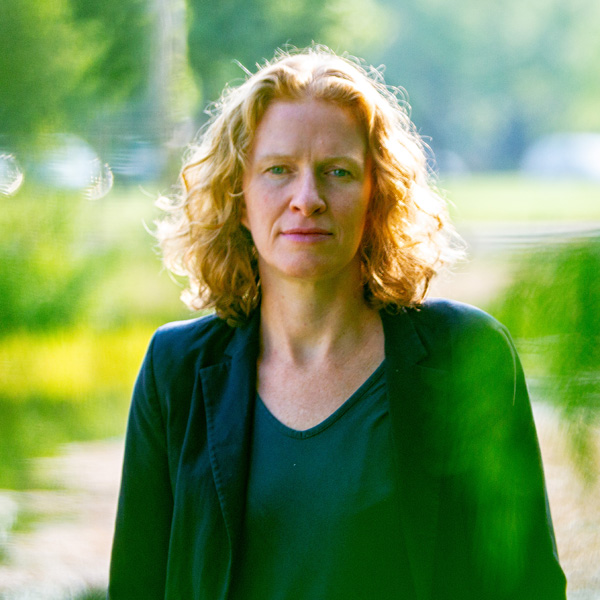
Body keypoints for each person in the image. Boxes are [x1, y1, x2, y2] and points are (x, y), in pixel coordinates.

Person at [108, 46, 567, 599]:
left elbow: (528, 585)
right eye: (279, 170)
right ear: (239, 196)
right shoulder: (175, 370)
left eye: (338, 172)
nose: (308, 199)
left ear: (378, 195)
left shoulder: (465, 355)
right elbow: (136, 587)